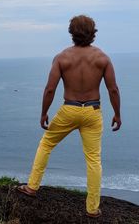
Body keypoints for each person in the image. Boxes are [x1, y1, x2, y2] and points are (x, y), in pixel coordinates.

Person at [17, 15, 121, 218]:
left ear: (72, 33)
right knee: (93, 160)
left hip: (69, 110)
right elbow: (113, 90)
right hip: (92, 112)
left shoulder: (62, 57)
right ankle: (92, 208)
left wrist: (44, 112)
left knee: (46, 144)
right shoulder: (102, 58)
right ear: (93, 33)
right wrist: (117, 114)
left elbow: (50, 89)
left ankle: (32, 187)